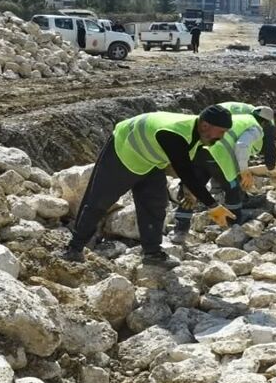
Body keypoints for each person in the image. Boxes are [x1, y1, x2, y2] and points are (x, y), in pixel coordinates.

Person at [64, 106, 237, 264]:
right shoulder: (174, 133)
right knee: (99, 200)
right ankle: (73, 249)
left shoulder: (199, 134)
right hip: (124, 151)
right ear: (206, 125)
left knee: (155, 203)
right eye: (221, 131)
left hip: (151, 161)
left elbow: (187, 163)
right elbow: (184, 169)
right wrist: (212, 205)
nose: (221, 137)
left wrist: (188, 189)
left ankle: (152, 253)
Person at [171, 102, 276, 241]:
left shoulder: (239, 119)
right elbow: (242, 145)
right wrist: (244, 171)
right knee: (232, 188)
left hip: (201, 151)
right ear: (265, 122)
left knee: (193, 189)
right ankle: (234, 222)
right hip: (220, 156)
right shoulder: (256, 127)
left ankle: (180, 230)